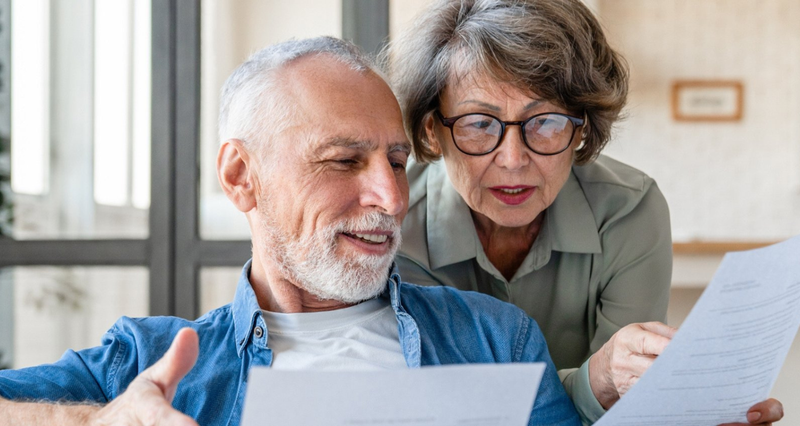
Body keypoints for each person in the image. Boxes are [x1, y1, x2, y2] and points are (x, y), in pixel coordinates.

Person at [0, 37, 580, 425]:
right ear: (241, 177)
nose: (392, 198)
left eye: (397, 162)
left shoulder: (498, 343)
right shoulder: (146, 364)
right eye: (344, 160)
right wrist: (94, 420)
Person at [385, 0, 783, 424]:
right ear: (432, 128)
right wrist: (593, 381)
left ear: (583, 126)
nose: (514, 159)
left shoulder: (630, 210)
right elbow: (446, 410)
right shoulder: (395, 222)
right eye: (480, 124)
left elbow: (631, 404)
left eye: (547, 121)